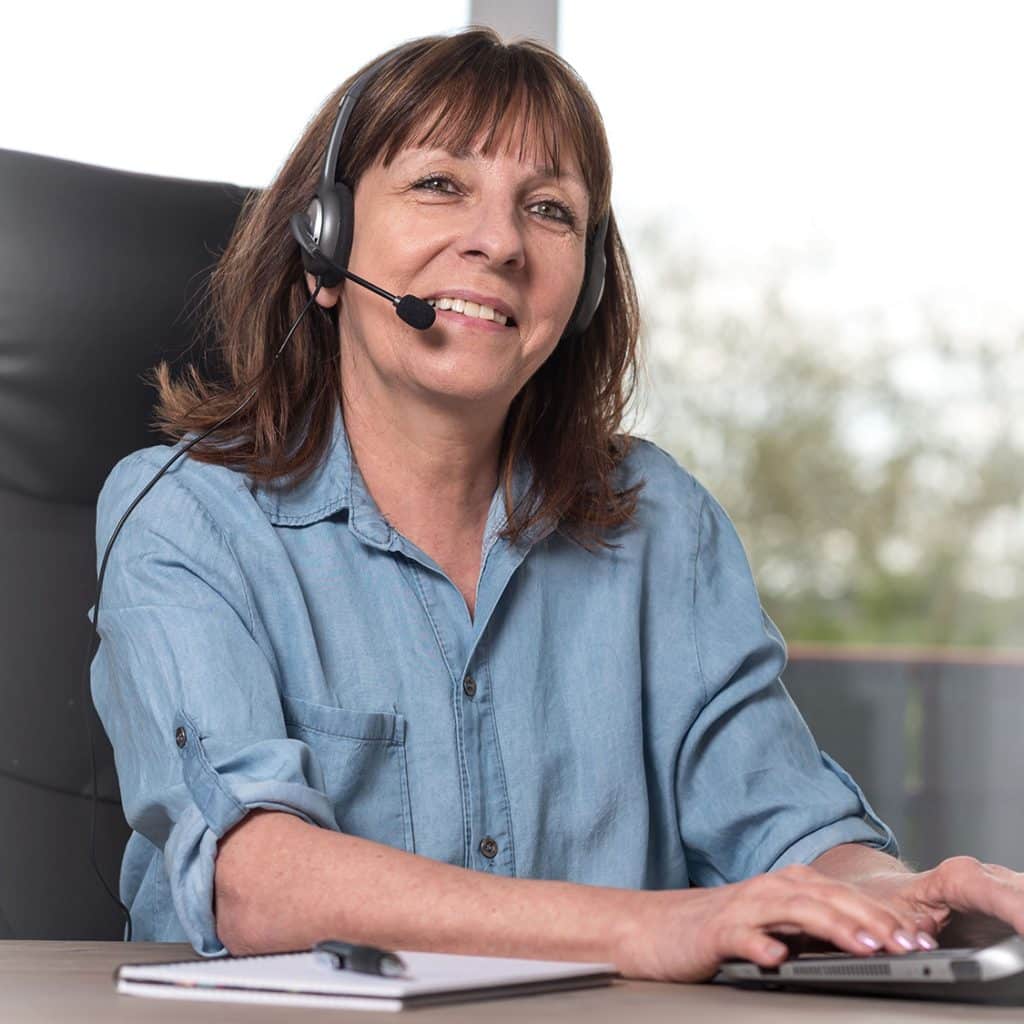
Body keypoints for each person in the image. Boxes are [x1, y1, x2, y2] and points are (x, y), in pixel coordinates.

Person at [90, 28, 1024, 982]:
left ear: (580, 293)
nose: (498, 242)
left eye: (548, 210)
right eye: (439, 185)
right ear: (325, 250)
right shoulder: (184, 517)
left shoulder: (660, 519)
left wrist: (885, 897)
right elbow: (255, 879)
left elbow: (784, 821)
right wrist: (644, 927)